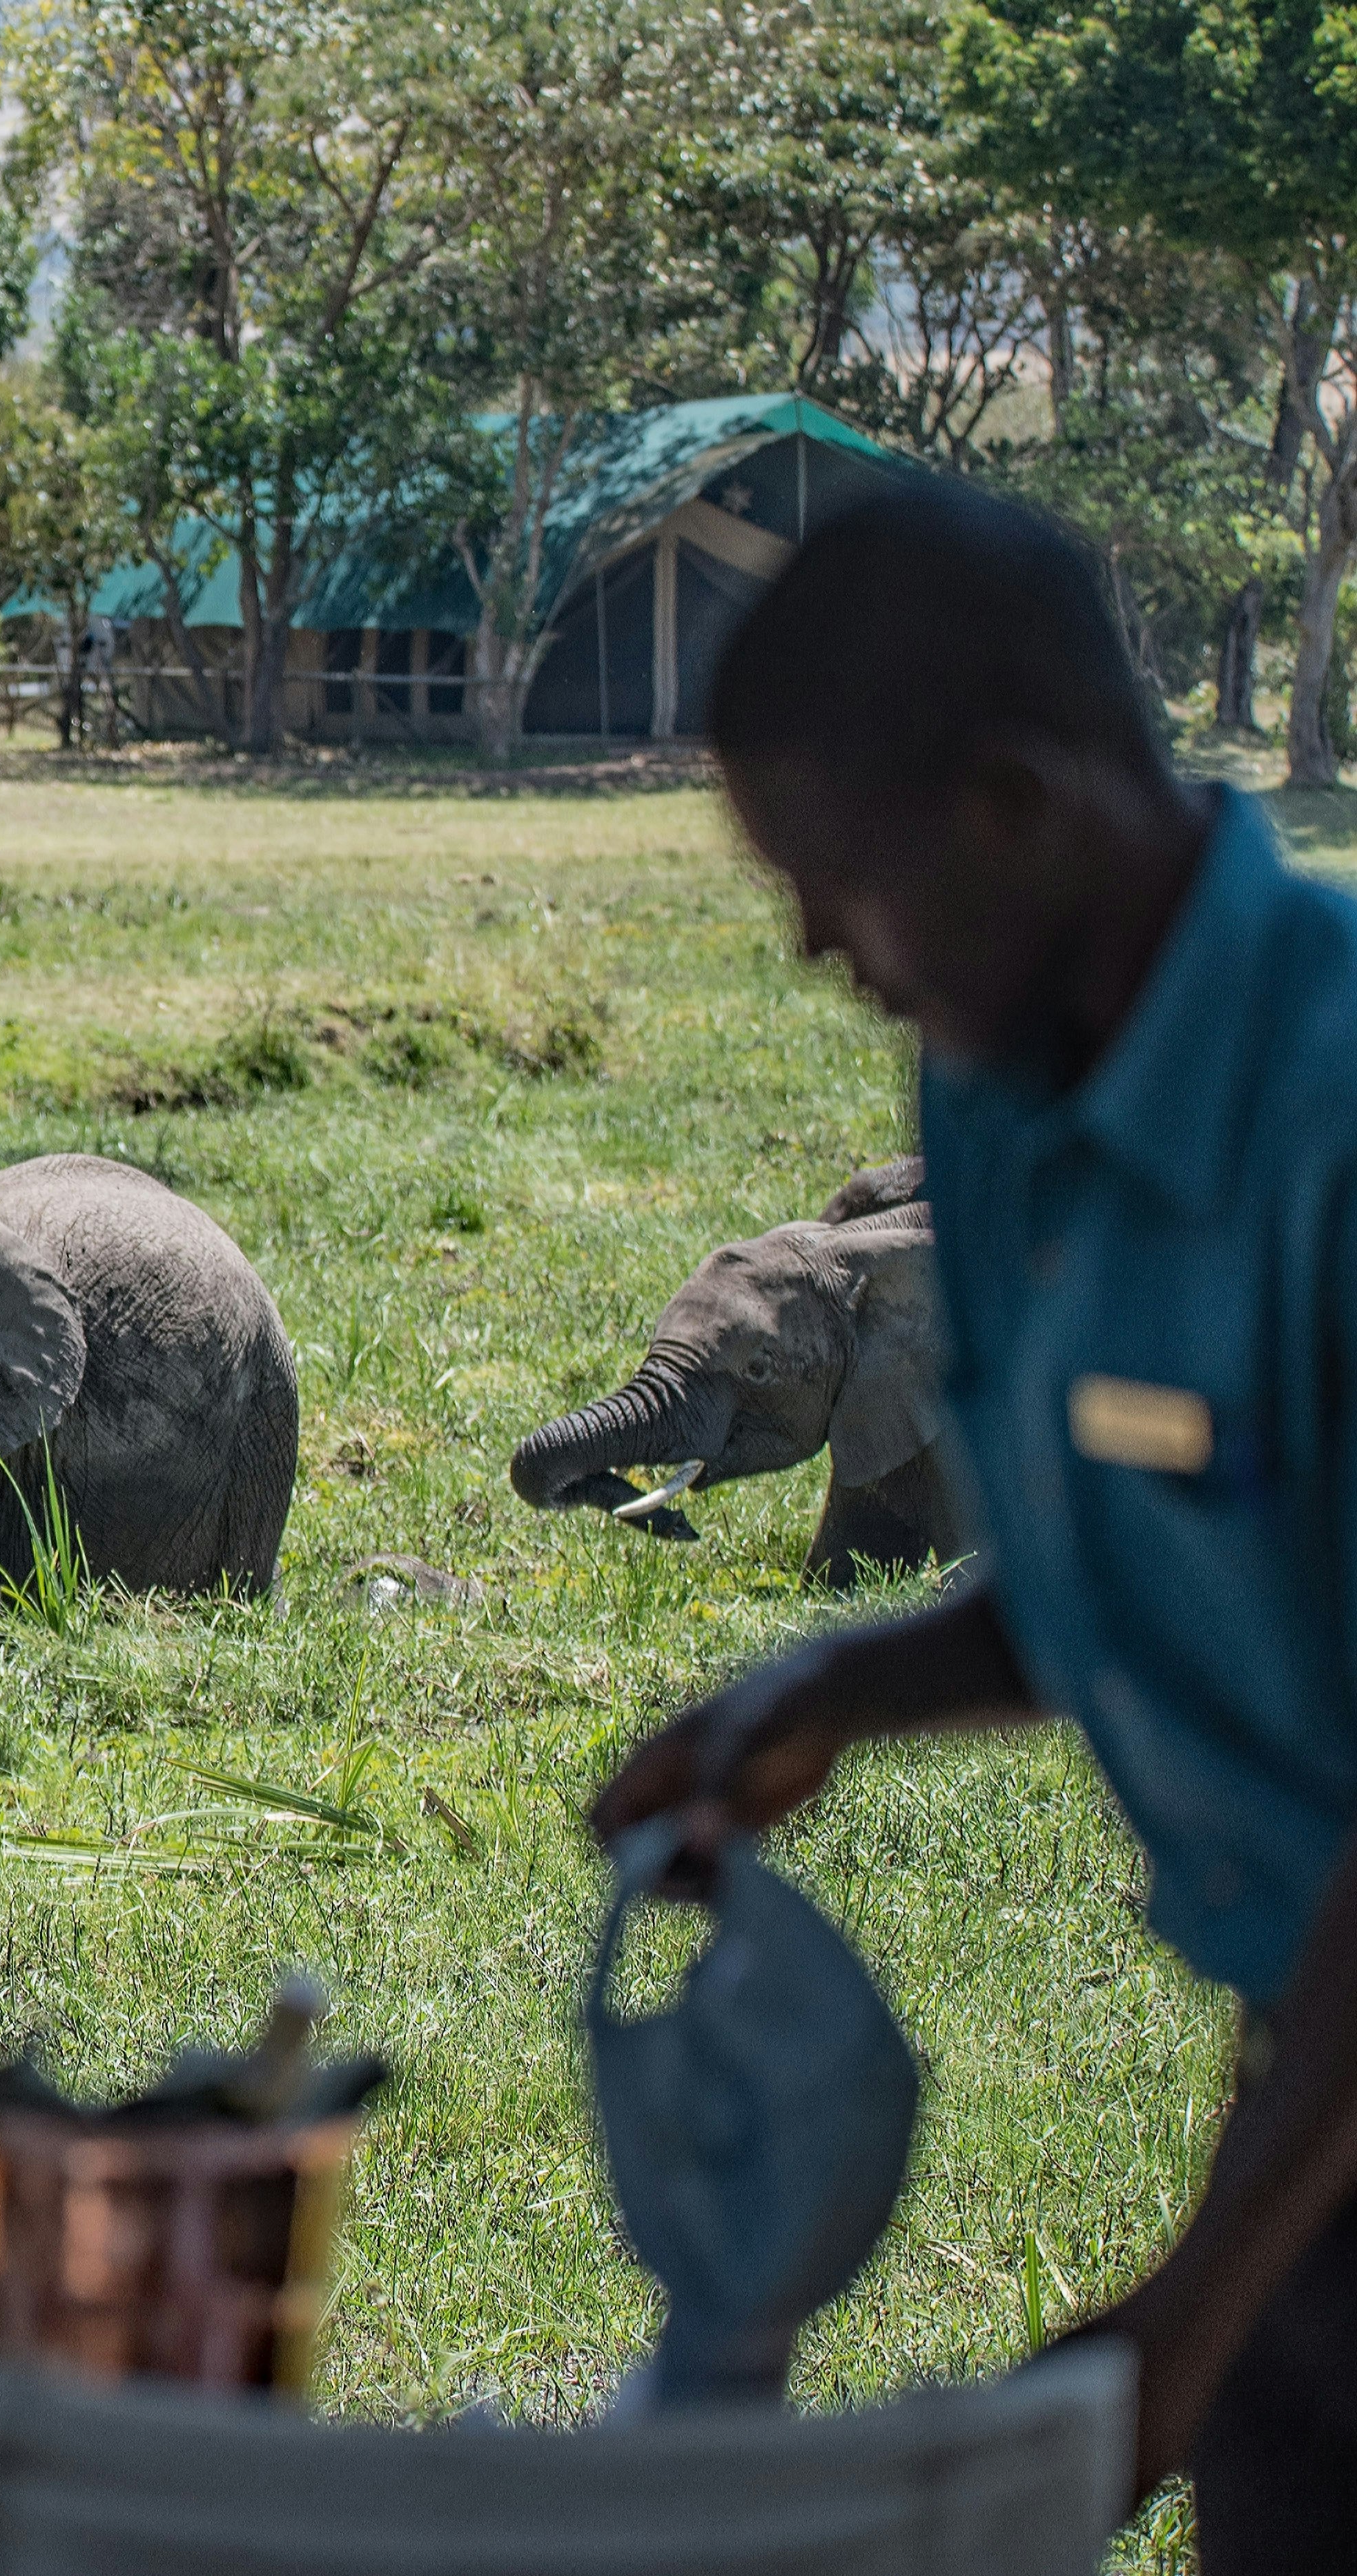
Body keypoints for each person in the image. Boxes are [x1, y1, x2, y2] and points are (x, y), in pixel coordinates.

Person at [592, 478, 1357, 2565]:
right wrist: (841, 1679)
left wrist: (1179, 2334)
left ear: (1019, 805)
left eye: (839, 881)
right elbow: (1161, 1549)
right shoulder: (1000, 1087)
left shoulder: (1335, 1125)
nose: (820, 949)